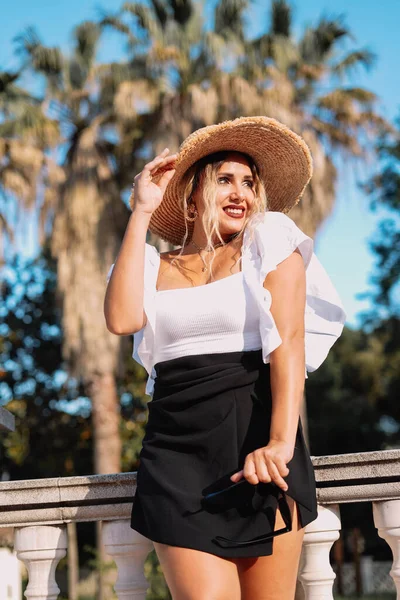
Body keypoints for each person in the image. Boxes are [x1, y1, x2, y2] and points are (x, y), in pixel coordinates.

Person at [104, 116, 346, 600]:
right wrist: (141, 211)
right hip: (176, 458)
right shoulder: (152, 264)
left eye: (250, 183)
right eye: (224, 180)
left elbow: (289, 344)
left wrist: (279, 443)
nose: (241, 194)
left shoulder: (269, 242)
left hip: (260, 450)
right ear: (192, 192)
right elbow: (123, 318)